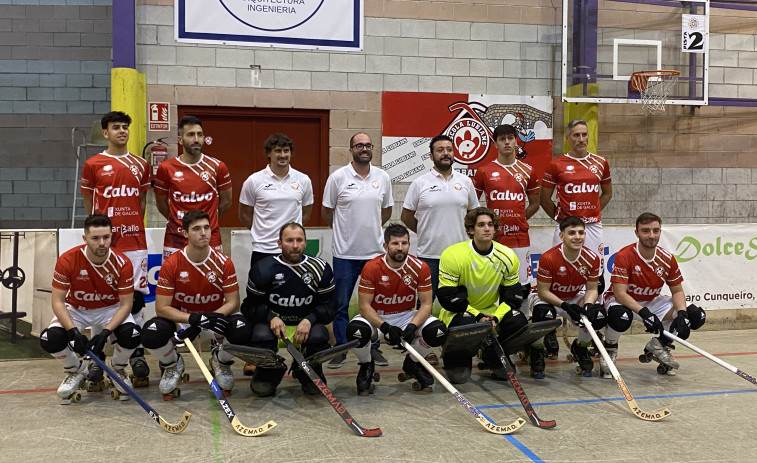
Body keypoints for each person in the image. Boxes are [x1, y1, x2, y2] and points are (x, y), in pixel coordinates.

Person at [140, 210, 248, 398]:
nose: (203, 233)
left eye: (206, 227)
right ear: (185, 233)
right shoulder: (172, 264)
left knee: (243, 329)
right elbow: (162, 308)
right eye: (197, 229)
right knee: (150, 334)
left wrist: (210, 317)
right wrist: (192, 318)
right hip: (184, 319)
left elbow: (233, 303)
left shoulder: (223, 262)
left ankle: (220, 361)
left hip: (213, 317)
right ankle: (173, 364)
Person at [39, 214, 142, 404]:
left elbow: (126, 304)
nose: (102, 243)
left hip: (110, 308)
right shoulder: (68, 260)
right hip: (77, 309)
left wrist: (105, 333)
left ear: (112, 237)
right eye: (95, 238)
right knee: (49, 338)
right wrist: (72, 332)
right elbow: (58, 301)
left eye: (106, 237)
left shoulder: (122, 263)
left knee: (133, 334)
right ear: (85, 239)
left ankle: (117, 368)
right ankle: (75, 370)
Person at [80, 111, 151, 382]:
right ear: (106, 133)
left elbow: (141, 202)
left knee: (135, 299)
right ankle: (99, 357)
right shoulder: (93, 164)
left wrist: (130, 224)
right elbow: (90, 205)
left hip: (134, 242)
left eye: (125, 127)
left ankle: (136, 353)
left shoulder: (141, 164)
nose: (122, 131)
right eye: (116, 127)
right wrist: (102, 232)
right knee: (102, 299)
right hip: (104, 244)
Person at [401, 134, 479, 365]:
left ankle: (457, 345)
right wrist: (426, 232)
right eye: (440, 150)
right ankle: (421, 348)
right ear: (431, 155)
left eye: (449, 149)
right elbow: (407, 216)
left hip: (460, 257)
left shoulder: (465, 182)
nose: (445, 153)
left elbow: (473, 215)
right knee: (424, 305)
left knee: (463, 305)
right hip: (429, 256)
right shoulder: (420, 183)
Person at [539, 119, 613, 358]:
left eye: (584, 134)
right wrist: (564, 221)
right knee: (554, 274)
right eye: (576, 135)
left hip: (592, 227)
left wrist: (590, 215)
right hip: (567, 226)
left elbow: (607, 192)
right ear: (568, 138)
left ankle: (589, 327)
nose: (581, 139)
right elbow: (545, 198)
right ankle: (551, 327)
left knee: (595, 278)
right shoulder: (556, 164)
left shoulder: (600, 163)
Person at [346, 224, 448, 395]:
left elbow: (426, 305)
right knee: (355, 332)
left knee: (438, 332)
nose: (400, 248)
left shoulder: (420, 267)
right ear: (385, 246)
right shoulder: (372, 267)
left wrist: (412, 326)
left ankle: (413, 362)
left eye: (404, 243)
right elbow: (364, 306)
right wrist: (385, 327)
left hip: (406, 316)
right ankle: (366, 365)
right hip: (377, 316)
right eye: (395, 243)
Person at [602, 212, 706, 376]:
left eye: (655, 230)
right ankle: (609, 348)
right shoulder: (625, 255)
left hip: (651, 301)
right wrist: (644, 313)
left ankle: (659, 345)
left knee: (695, 316)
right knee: (620, 317)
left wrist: (683, 314)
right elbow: (620, 293)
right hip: (622, 301)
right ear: (636, 233)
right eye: (646, 231)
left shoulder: (667, 258)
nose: (651, 235)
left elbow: (677, 291)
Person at [322, 132, 393, 369]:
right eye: (359, 145)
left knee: (373, 306)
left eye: (367, 145)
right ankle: (342, 348)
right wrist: (346, 231)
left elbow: (386, 211)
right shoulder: (337, 178)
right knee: (340, 304)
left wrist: (369, 229)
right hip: (344, 254)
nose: (364, 148)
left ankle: (373, 347)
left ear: (372, 149)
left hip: (373, 253)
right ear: (351, 149)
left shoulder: (382, 177)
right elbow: (326, 213)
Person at [240, 223, 336, 397]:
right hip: (274, 329)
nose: (295, 245)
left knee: (320, 334)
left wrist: (310, 319)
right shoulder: (263, 269)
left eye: (299, 240)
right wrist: (270, 317)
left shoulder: (320, 269)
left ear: (306, 243)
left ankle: (306, 370)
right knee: (260, 334)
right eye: (289, 240)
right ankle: (269, 372)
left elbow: (330, 307)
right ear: (279, 243)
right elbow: (249, 306)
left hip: (305, 328)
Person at [436, 207, 528, 384]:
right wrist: (477, 315)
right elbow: (447, 297)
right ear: (471, 229)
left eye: (490, 225)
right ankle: (457, 358)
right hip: (459, 312)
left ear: (495, 229)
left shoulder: (507, 255)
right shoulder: (453, 254)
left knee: (519, 321)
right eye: (481, 225)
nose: (486, 228)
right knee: (465, 322)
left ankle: (492, 352)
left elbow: (513, 296)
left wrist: (496, 317)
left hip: (491, 312)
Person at [529, 216, 605, 378]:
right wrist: (566, 307)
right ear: (562, 236)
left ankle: (580, 347)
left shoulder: (592, 258)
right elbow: (543, 292)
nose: (577, 237)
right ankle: (536, 349)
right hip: (547, 297)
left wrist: (587, 305)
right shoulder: (549, 258)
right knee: (543, 314)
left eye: (581, 233)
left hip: (572, 296)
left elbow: (592, 289)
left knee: (596, 315)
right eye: (571, 233)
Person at [472, 124, 540, 305]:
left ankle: (523, 325)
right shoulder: (484, 171)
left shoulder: (528, 171)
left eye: (510, 138)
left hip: (520, 238)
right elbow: (473, 204)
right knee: (494, 285)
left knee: (522, 287)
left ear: (516, 141)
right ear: (495, 144)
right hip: (493, 239)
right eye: (502, 139)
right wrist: (485, 225)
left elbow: (535, 203)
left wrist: (519, 218)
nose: (507, 142)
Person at [154, 115, 232, 259]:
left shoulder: (217, 166)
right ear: (180, 140)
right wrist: (181, 223)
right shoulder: (166, 168)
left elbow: (226, 202)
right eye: (190, 135)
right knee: (174, 280)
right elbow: (161, 204)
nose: (196, 139)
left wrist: (208, 221)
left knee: (211, 279)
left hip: (210, 237)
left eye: (199, 135)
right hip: (175, 237)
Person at [238, 133, 313, 268]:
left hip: (292, 251)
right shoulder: (254, 180)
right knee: (261, 289)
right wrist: (261, 232)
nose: (283, 155)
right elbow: (244, 214)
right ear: (269, 153)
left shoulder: (304, 180)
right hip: (263, 249)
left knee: (293, 289)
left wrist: (291, 236)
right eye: (278, 151)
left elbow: (306, 213)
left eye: (286, 151)